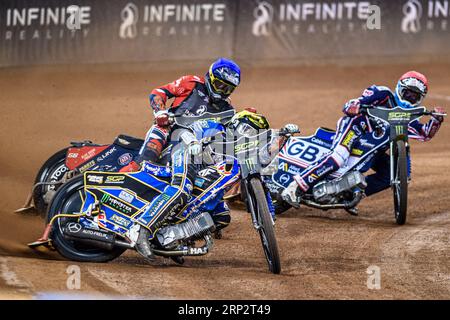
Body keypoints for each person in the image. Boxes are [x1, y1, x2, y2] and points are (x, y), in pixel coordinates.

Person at [125, 58, 241, 261]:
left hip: (194, 152)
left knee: (221, 216)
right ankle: (121, 181)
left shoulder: (228, 110)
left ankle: (173, 238)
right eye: (220, 85)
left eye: (228, 88)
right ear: (210, 78)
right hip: (169, 130)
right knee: (145, 162)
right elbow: (159, 92)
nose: (222, 91)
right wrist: (160, 111)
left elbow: (227, 139)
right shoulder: (192, 83)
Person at [282, 71, 446, 207]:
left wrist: (436, 120)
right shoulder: (382, 93)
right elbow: (352, 104)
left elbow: (425, 134)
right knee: (337, 159)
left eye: (414, 96)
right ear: (399, 89)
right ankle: (294, 187)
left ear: (420, 99)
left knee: (391, 173)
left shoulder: (408, 118)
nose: (410, 98)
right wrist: (355, 106)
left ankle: (348, 194)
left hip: (373, 150)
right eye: (407, 93)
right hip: (355, 129)